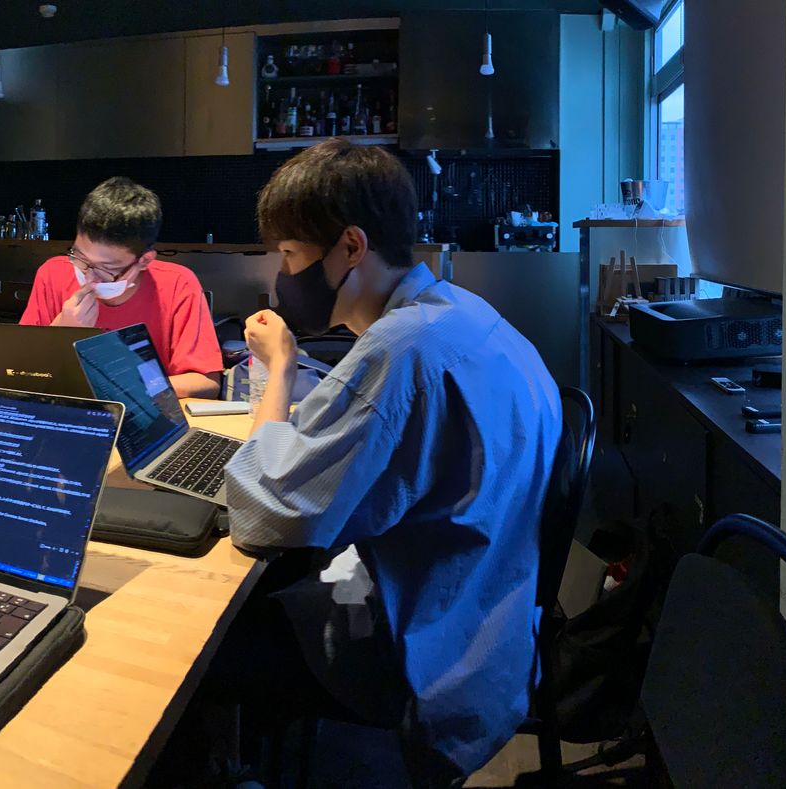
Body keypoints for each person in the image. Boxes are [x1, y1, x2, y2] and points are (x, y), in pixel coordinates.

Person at [211, 140, 561, 784]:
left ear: (351, 247)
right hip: (493, 635)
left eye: (290, 254)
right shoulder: (469, 315)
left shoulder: (402, 349)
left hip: (421, 659)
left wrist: (279, 368)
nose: (282, 274)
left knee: (205, 644)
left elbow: (264, 514)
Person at [19, 177, 221, 399]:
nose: (89, 278)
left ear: (144, 260)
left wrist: (130, 385)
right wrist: (61, 334)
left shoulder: (178, 284)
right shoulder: (52, 273)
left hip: (144, 411)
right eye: (80, 258)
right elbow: (18, 373)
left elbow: (205, 382)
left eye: (106, 269)